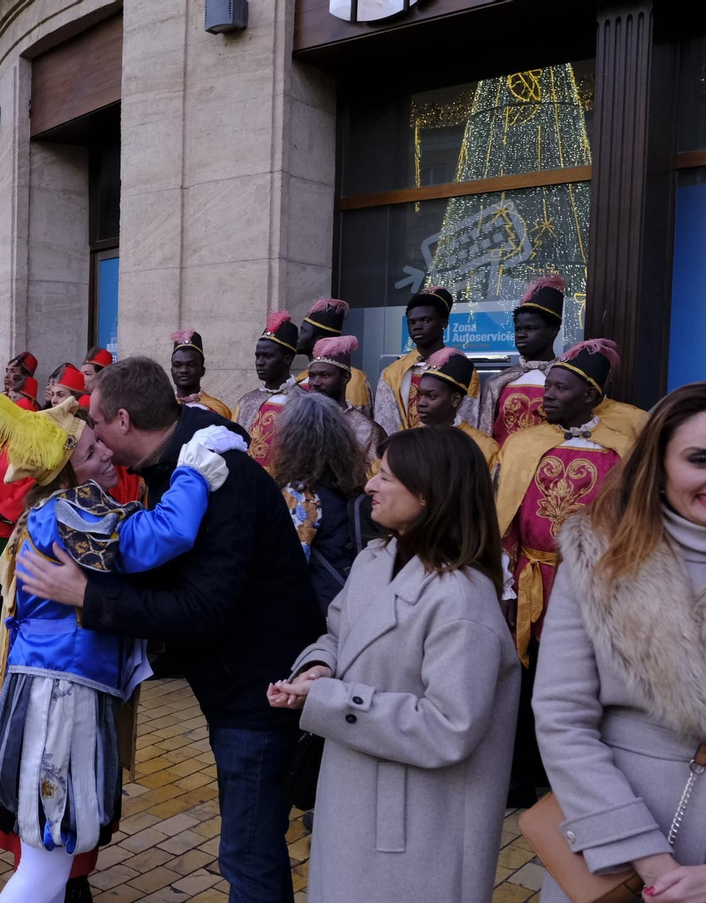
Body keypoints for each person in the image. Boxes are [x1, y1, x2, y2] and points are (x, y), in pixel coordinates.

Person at [18, 357, 323, 903]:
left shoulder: (216, 475)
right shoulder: (181, 464)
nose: (99, 443)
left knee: (248, 857)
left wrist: (88, 597)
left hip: (261, 694)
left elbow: (202, 608)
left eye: (98, 426)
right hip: (236, 684)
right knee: (248, 852)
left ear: (126, 421)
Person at [0, 392, 233, 903]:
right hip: (61, 699)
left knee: (49, 854)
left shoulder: (47, 510)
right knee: (48, 859)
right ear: (67, 472)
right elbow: (165, 534)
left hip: (46, 688)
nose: (107, 455)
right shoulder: (75, 510)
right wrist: (194, 471)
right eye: (91, 453)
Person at [268, 426, 517, 903]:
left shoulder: (462, 599)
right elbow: (339, 633)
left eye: (385, 476)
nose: (369, 486)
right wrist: (318, 668)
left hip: (418, 831)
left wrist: (331, 699)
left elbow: (451, 726)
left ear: (426, 493)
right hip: (358, 802)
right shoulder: (375, 559)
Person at [532, 383, 706, 903]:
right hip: (613, 854)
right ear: (659, 463)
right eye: (699, 459)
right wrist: (648, 861)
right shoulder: (599, 557)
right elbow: (562, 718)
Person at [494, 338, 643, 807]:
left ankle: (575, 782)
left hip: (591, 583)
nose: (546, 396)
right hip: (530, 578)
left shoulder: (623, 448)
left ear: (591, 396)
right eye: (548, 386)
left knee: (580, 679)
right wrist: (506, 580)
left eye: (559, 389)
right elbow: (506, 519)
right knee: (523, 678)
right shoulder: (523, 444)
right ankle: (521, 777)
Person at [271, 392, 375, 612]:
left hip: (318, 607)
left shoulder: (301, 495)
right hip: (350, 598)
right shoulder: (353, 484)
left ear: (292, 440)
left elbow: (286, 565)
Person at [373, 288, 479, 436]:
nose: (417, 326)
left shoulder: (460, 368)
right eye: (411, 322)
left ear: (444, 324)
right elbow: (386, 425)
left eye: (426, 320)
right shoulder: (391, 373)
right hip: (403, 453)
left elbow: (467, 420)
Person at [478, 275, 566, 445]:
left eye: (531, 328)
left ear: (553, 331)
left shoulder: (567, 381)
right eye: (518, 329)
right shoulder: (497, 382)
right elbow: (485, 437)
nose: (521, 334)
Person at [304, 336, 386, 476]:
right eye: (312, 376)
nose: (315, 382)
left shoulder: (366, 429)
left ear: (345, 378)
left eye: (324, 375)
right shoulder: (301, 420)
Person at [235, 312, 304, 470]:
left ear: (287, 359)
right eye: (258, 356)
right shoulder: (247, 402)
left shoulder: (304, 401)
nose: (260, 362)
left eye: (267, 356)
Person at [413, 347, 498, 462]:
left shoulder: (482, 447)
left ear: (455, 399)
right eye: (419, 395)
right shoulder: (408, 441)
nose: (421, 403)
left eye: (432, 396)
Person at [293, 298, 371, 415]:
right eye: (312, 376)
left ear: (320, 339)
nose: (298, 336)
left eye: (303, 331)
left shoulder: (355, 379)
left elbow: (355, 422)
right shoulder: (300, 378)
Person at [169, 330, 233, 420]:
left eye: (191, 365)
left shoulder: (219, 411)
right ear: (172, 371)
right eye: (177, 365)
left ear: (202, 370)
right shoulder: (160, 408)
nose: (183, 370)